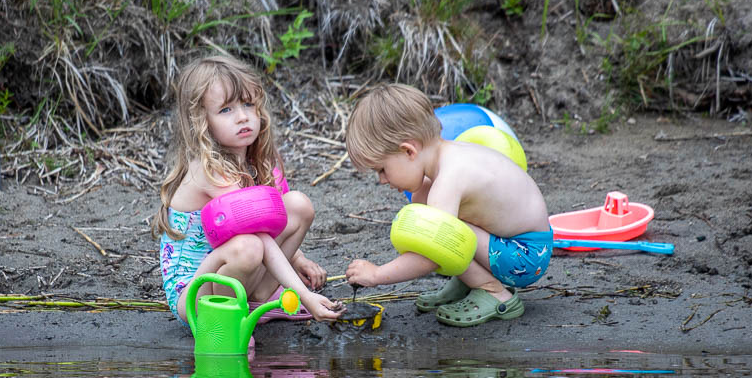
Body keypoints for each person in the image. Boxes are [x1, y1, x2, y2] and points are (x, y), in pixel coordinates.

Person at [153, 55, 342, 325]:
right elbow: (259, 238)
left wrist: (297, 259)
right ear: (201, 121)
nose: (243, 117)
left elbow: (270, 224)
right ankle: (220, 322)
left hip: (237, 261)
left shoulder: (256, 160)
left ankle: (256, 302)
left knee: (297, 205)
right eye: (226, 110)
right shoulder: (210, 170)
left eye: (248, 104)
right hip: (193, 297)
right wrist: (303, 295)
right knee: (248, 246)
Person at [344, 84, 552, 326]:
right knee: (430, 207)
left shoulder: (448, 181)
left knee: (443, 239)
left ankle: (494, 292)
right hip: (517, 244)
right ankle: (468, 282)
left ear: (409, 151)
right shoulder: (448, 154)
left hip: (525, 257)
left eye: (382, 169)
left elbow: (433, 255)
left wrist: (377, 275)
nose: (381, 180)